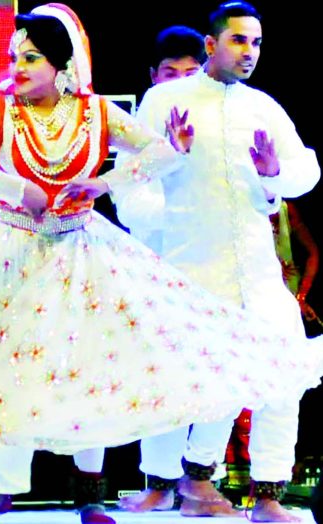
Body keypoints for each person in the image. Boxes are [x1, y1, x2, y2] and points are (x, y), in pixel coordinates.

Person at [0, 3, 323, 524]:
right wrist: (19, 189)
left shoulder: (96, 112)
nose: (18, 68)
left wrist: (118, 175)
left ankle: (94, 497)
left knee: (90, 367)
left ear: (61, 66)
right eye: (15, 57)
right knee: (4, 367)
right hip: (10, 252)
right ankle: (0, 489)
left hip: (80, 252)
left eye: (31, 58)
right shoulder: (0, 112)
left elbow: (156, 158)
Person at [113, 2, 321, 522]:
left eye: (256, 43)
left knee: (283, 373)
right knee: (179, 381)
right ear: (211, 45)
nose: (248, 53)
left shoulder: (263, 107)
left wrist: (274, 177)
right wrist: (173, 217)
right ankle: (171, 483)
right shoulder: (165, 100)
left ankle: (268, 494)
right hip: (187, 268)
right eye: (238, 41)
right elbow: (133, 182)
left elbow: (305, 170)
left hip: (256, 272)